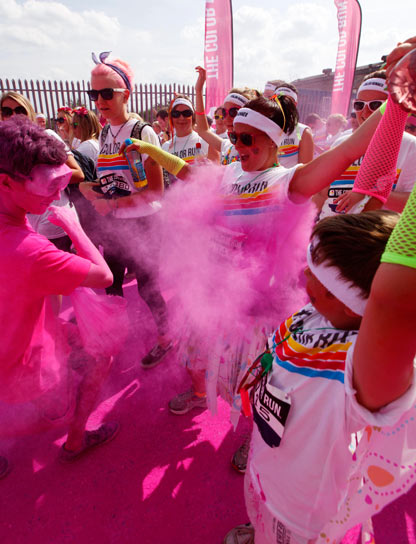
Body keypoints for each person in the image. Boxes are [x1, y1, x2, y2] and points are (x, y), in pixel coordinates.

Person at [122, 74, 389, 423]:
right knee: (192, 354)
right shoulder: (230, 172)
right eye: (234, 136)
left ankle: (253, 432)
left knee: (255, 378)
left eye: (247, 138)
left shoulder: (290, 181)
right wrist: (152, 150)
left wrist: (395, 99)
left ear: (275, 141)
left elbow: (350, 148)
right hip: (217, 290)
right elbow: (189, 172)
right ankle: (200, 395)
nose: (238, 145)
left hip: (259, 303)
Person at [223, 207, 416, 544]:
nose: (303, 274)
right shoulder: (320, 311)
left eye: (315, 274)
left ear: (348, 301)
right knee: (260, 523)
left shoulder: (364, 365)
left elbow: (391, 299)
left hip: (299, 513)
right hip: (264, 469)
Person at [0, 117, 117, 478]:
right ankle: (76, 439)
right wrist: (74, 227)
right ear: (5, 181)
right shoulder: (30, 249)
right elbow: (105, 276)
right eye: (50, 184)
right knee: (103, 352)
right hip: (23, 381)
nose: (56, 193)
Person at [79, 52, 171, 369]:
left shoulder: (142, 132)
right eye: (94, 94)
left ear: (125, 94)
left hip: (144, 224)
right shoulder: (104, 133)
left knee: (147, 288)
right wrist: (92, 188)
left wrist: (111, 203)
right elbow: (116, 181)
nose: (100, 101)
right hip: (116, 225)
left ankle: (166, 338)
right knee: (110, 284)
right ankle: (110, 342)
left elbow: (155, 192)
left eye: (107, 93)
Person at [316, 70, 416, 218]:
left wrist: (368, 192)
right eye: (359, 105)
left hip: (373, 238)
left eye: (375, 105)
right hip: (326, 234)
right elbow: (322, 194)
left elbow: (412, 204)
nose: (365, 112)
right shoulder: (341, 142)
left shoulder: (411, 146)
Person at [0, 91, 83, 251]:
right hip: (21, 220)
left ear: (29, 112)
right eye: (7, 111)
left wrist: (43, 178)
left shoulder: (47, 136)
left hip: (51, 216)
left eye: (20, 110)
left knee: (55, 270)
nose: (13, 115)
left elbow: (78, 173)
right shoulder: (2, 145)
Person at [273, 83, 315, 166]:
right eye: (278, 100)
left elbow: (304, 171)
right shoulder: (263, 128)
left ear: (295, 105)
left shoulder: (303, 132)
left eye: (287, 101)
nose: (282, 104)